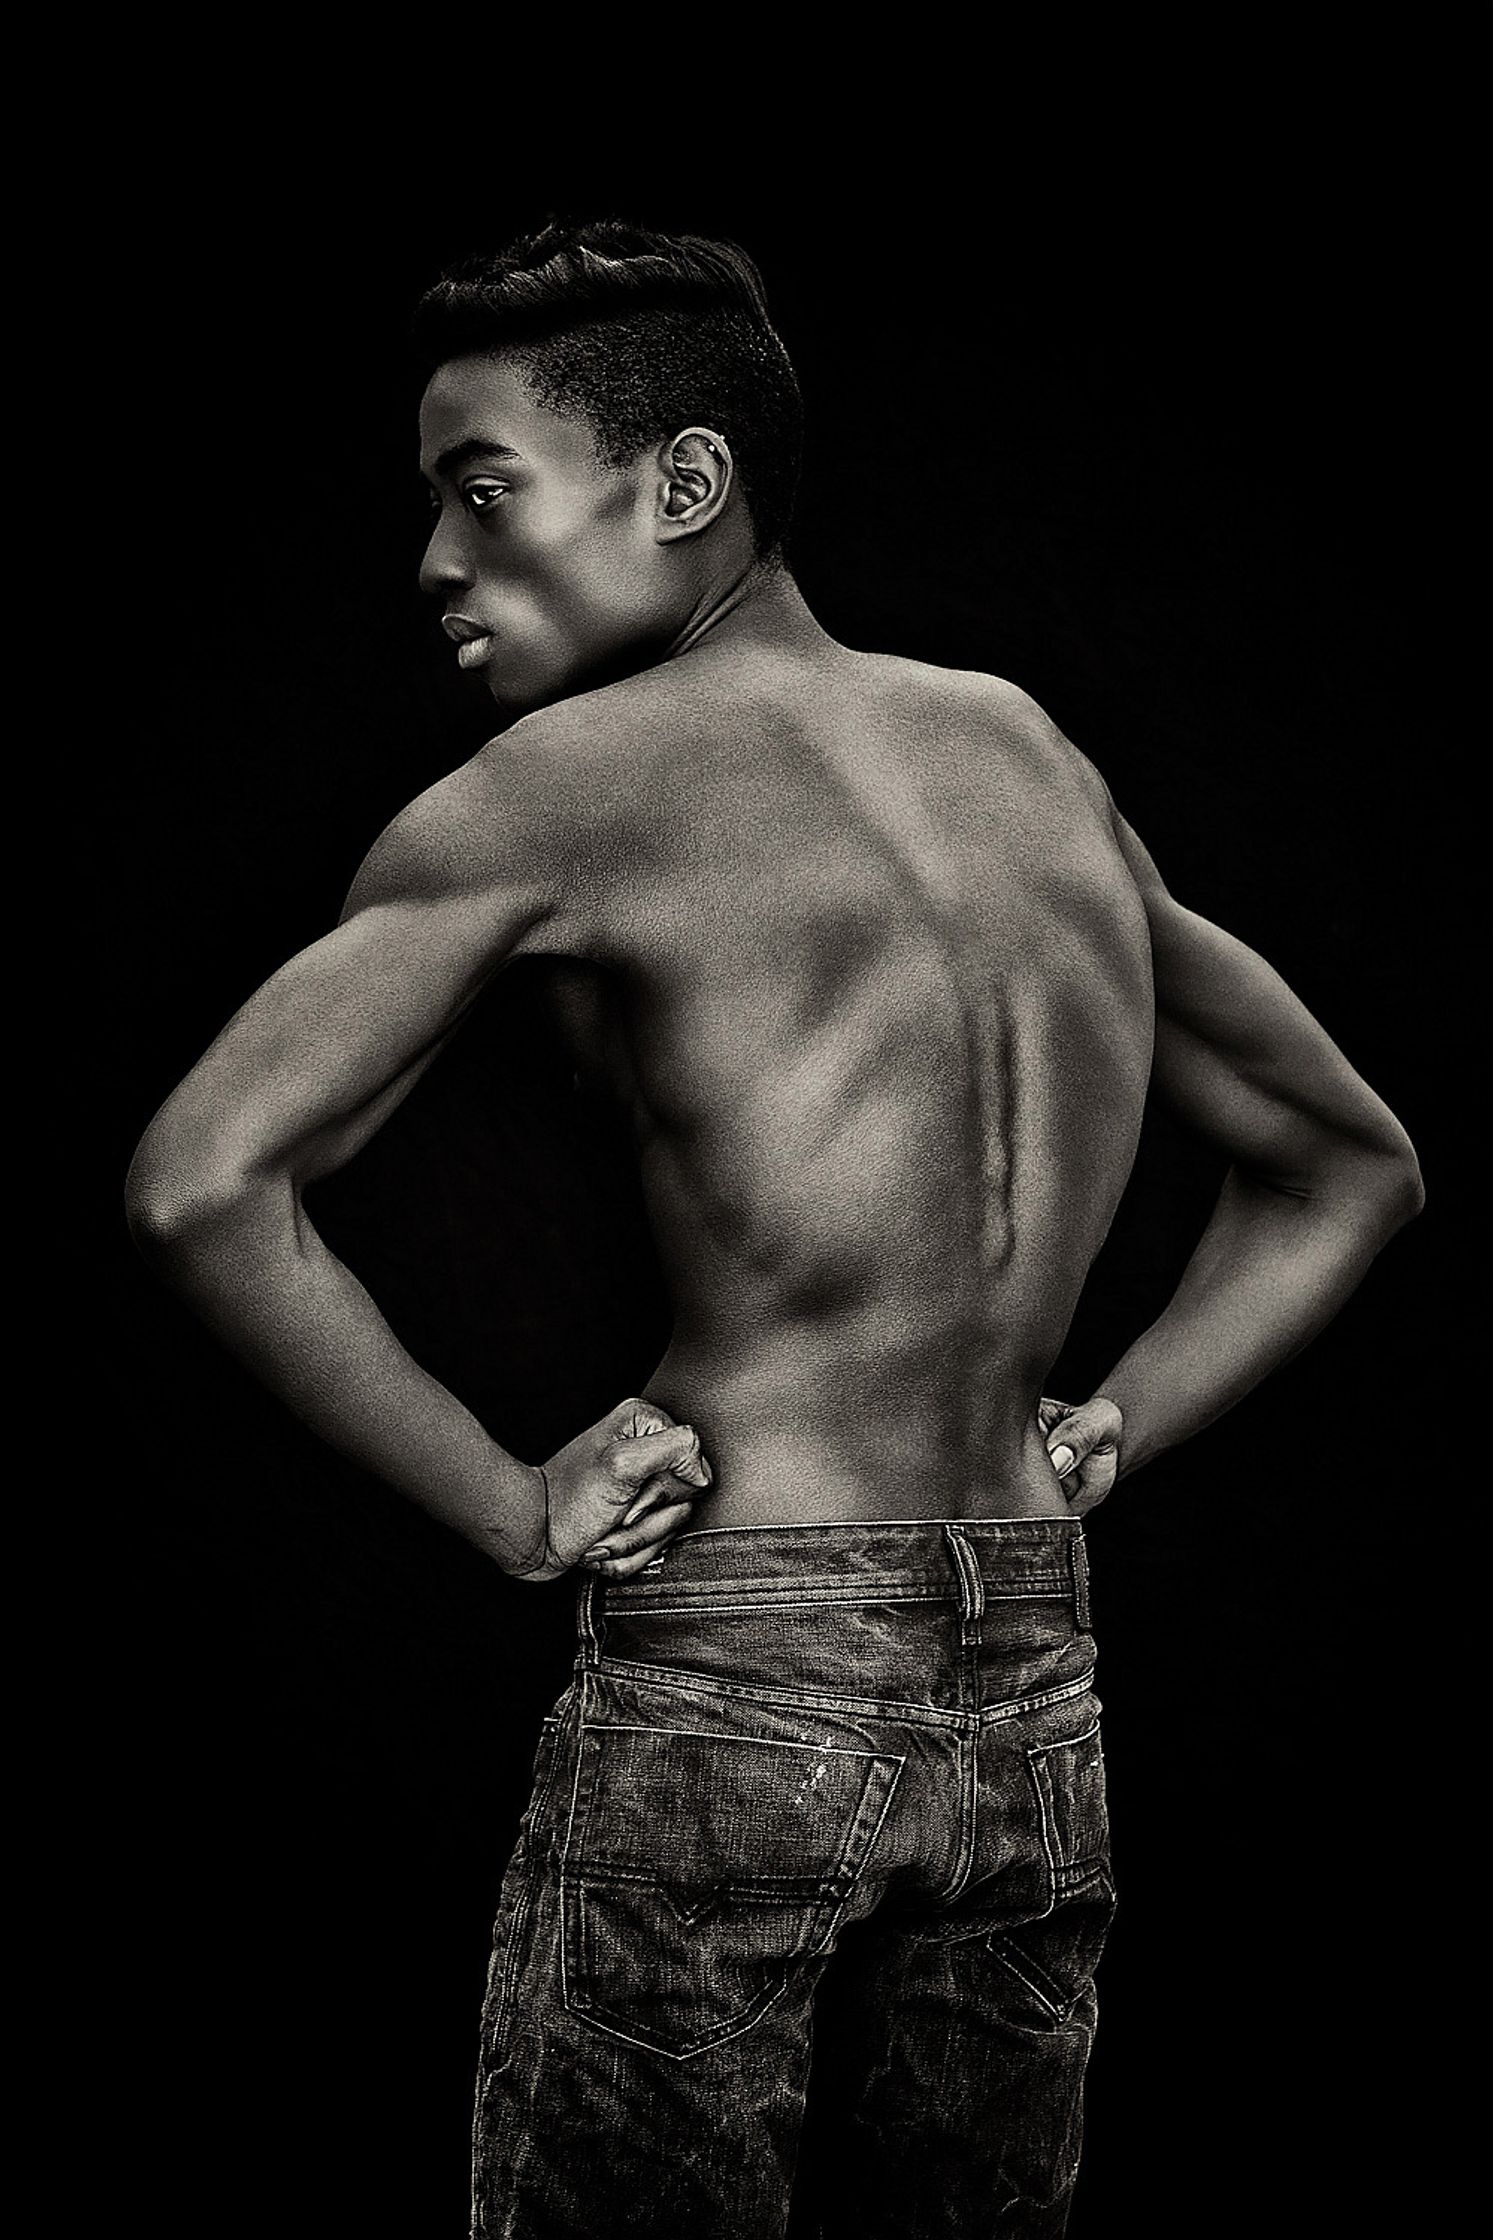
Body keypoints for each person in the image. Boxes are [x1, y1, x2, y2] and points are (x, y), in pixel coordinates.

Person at [125, 218, 1423, 2238]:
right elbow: (1352, 1159)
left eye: (484, 490)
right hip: (1031, 1669)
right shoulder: (1027, 757)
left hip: (742, 1663)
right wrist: (1114, 1426)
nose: (437, 560)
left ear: (684, 482)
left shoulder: (558, 786)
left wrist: (513, 1508)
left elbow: (203, 1179)